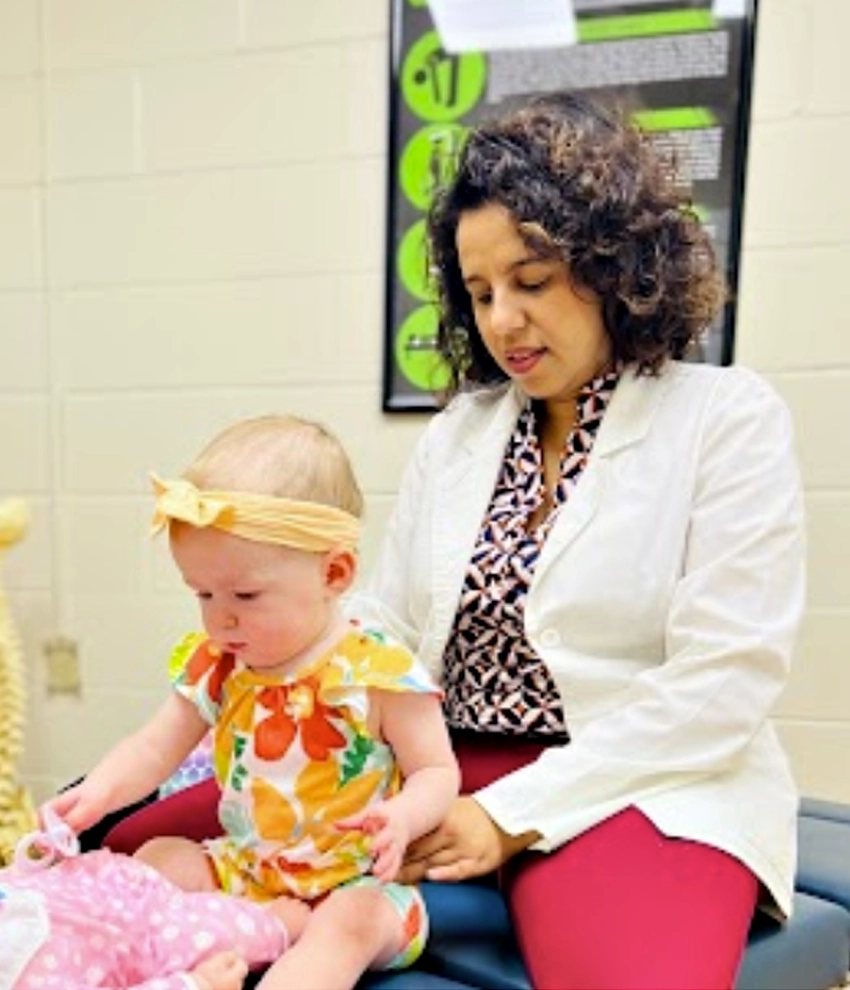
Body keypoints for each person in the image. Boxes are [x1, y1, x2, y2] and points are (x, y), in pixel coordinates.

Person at [348, 92, 806, 990]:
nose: (502, 320)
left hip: (645, 777)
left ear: (613, 263)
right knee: (127, 837)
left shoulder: (725, 417)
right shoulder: (461, 434)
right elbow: (386, 631)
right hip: (442, 759)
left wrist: (506, 815)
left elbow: (725, 681)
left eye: (531, 280)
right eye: (480, 293)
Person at [46, 414, 460, 990]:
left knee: (350, 924)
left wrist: (403, 818)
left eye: (245, 594)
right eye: (203, 594)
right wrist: (98, 793)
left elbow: (438, 771)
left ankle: (282, 961)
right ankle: (158, 965)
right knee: (159, 857)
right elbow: (154, 747)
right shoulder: (218, 666)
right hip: (245, 869)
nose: (221, 616)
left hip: (354, 880)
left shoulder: (377, 671)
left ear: (334, 573)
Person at [2, 809, 290, 990]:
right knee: (245, 933)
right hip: (148, 942)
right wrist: (197, 983)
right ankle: (283, 926)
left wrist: (34, 862)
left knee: (161, 851)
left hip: (103, 883)